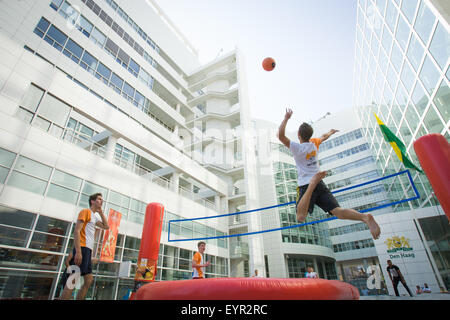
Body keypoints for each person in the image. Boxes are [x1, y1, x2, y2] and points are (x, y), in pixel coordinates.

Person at [277, 108, 381, 240]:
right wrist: (331, 132)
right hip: (320, 182)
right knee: (339, 212)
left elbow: (280, 136)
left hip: (308, 184)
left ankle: (312, 185)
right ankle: (365, 217)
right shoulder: (314, 143)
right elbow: (323, 137)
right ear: (310, 135)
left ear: (298, 135)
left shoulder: (297, 148)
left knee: (300, 217)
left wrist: (286, 118)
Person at [59, 193, 109, 300]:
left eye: (102, 199)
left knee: (88, 280)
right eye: (99, 199)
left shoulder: (94, 217)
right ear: (92, 201)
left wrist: (101, 213)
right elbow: (76, 231)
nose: (101, 201)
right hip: (82, 248)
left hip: (87, 250)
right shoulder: (85, 212)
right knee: (73, 280)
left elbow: (106, 226)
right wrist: (78, 252)